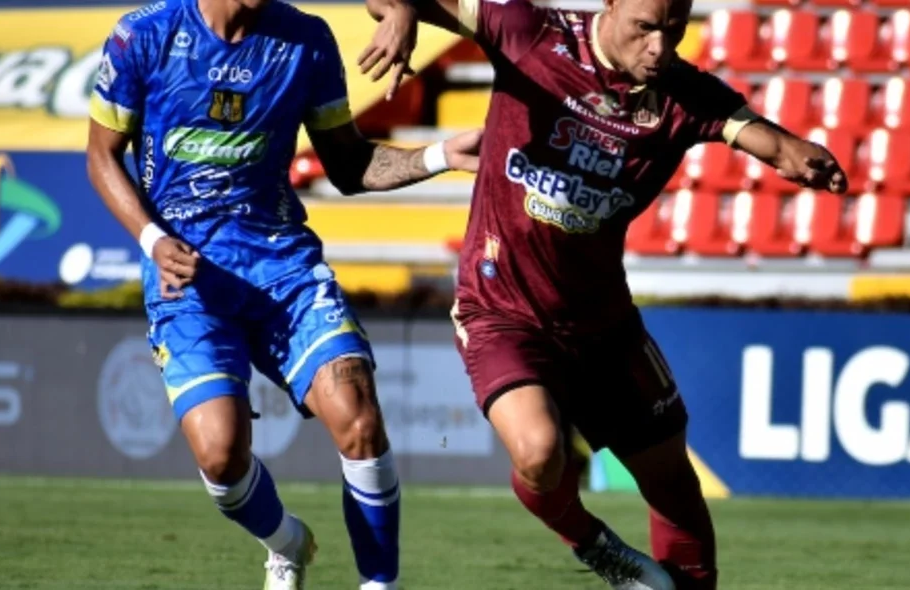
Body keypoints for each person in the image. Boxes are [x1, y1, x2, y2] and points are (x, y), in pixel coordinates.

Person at [358, 0, 848, 588]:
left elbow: (761, 137)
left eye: (673, 31)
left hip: (604, 325)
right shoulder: (527, 29)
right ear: (611, 7)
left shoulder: (685, 93)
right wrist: (404, 14)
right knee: (539, 452)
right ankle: (599, 548)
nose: (659, 48)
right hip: (502, 309)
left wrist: (798, 155)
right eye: (645, 28)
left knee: (670, 481)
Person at [85, 1, 480, 588]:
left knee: (358, 416)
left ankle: (380, 584)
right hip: (189, 279)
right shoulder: (143, 36)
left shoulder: (306, 40)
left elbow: (349, 165)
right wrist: (151, 239)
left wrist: (437, 155)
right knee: (220, 456)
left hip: (283, 270)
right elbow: (101, 155)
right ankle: (287, 542)